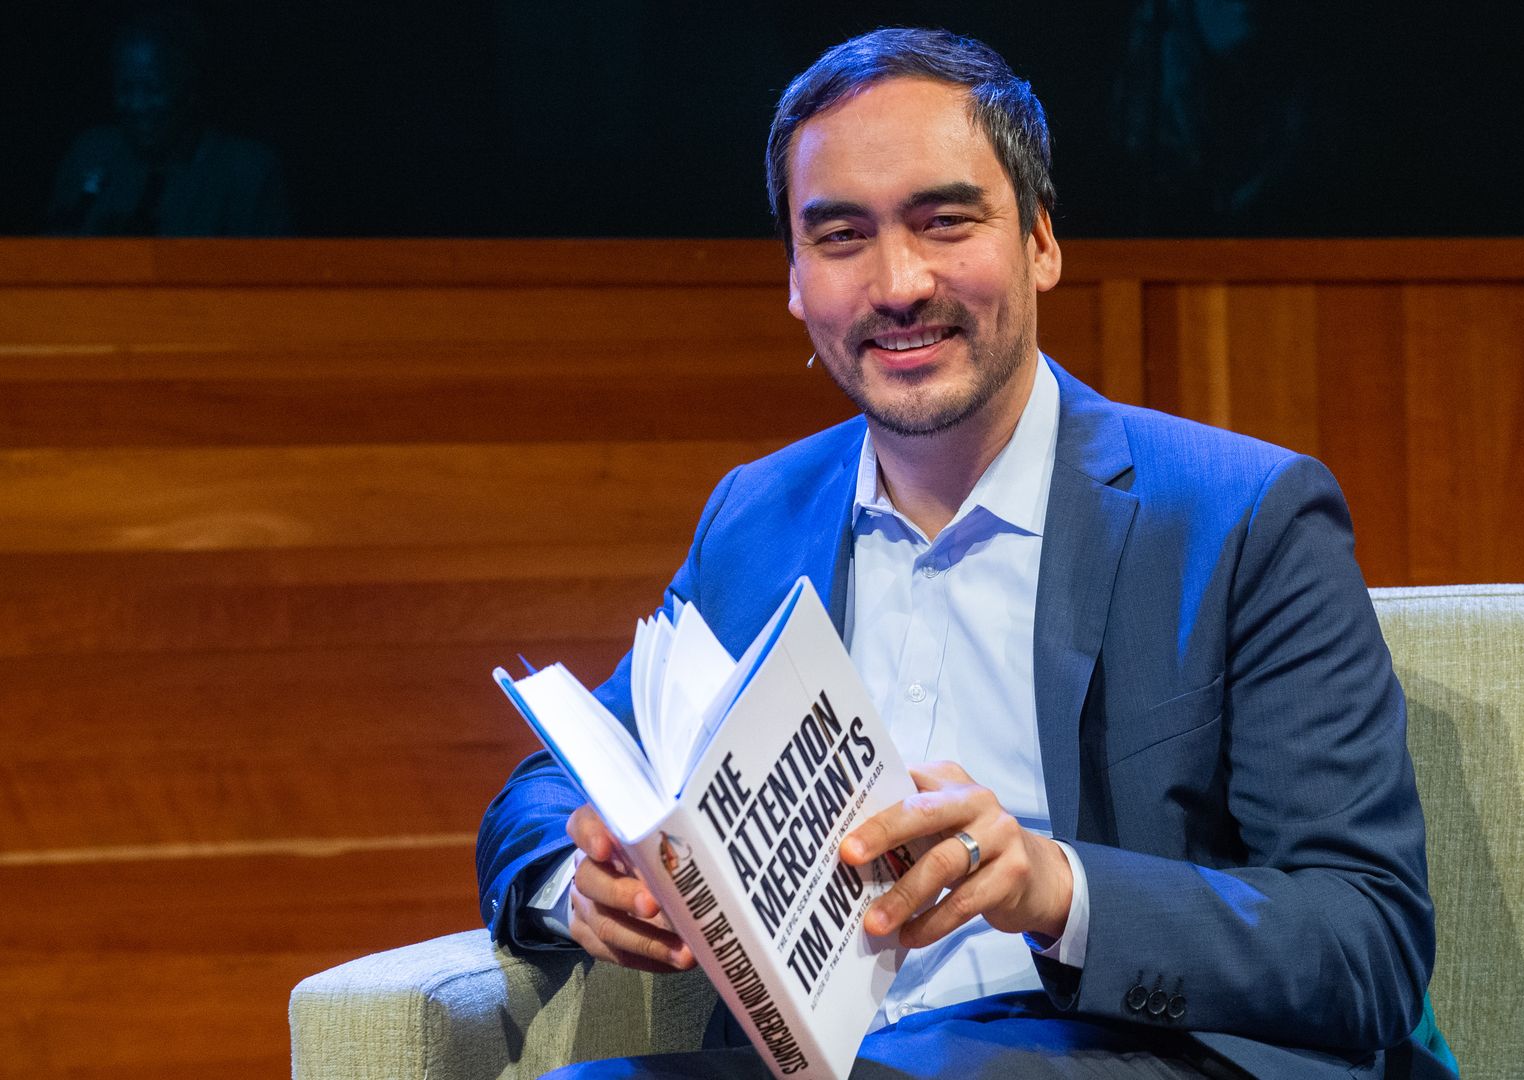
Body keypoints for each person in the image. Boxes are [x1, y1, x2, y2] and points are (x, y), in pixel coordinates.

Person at [478, 27, 1453, 1079]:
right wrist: (576, 886)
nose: (898, 283)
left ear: (1040, 241)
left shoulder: (1243, 516)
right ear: (797, 281)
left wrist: (1056, 888)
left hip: (1138, 1051)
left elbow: (1368, 937)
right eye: (841, 237)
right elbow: (550, 785)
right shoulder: (758, 516)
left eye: (945, 222)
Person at [45, 11, 290, 236]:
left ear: (190, 90)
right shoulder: (92, 155)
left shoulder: (246, 173)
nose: (137, 105)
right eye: (125, 89)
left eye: (153, 89)